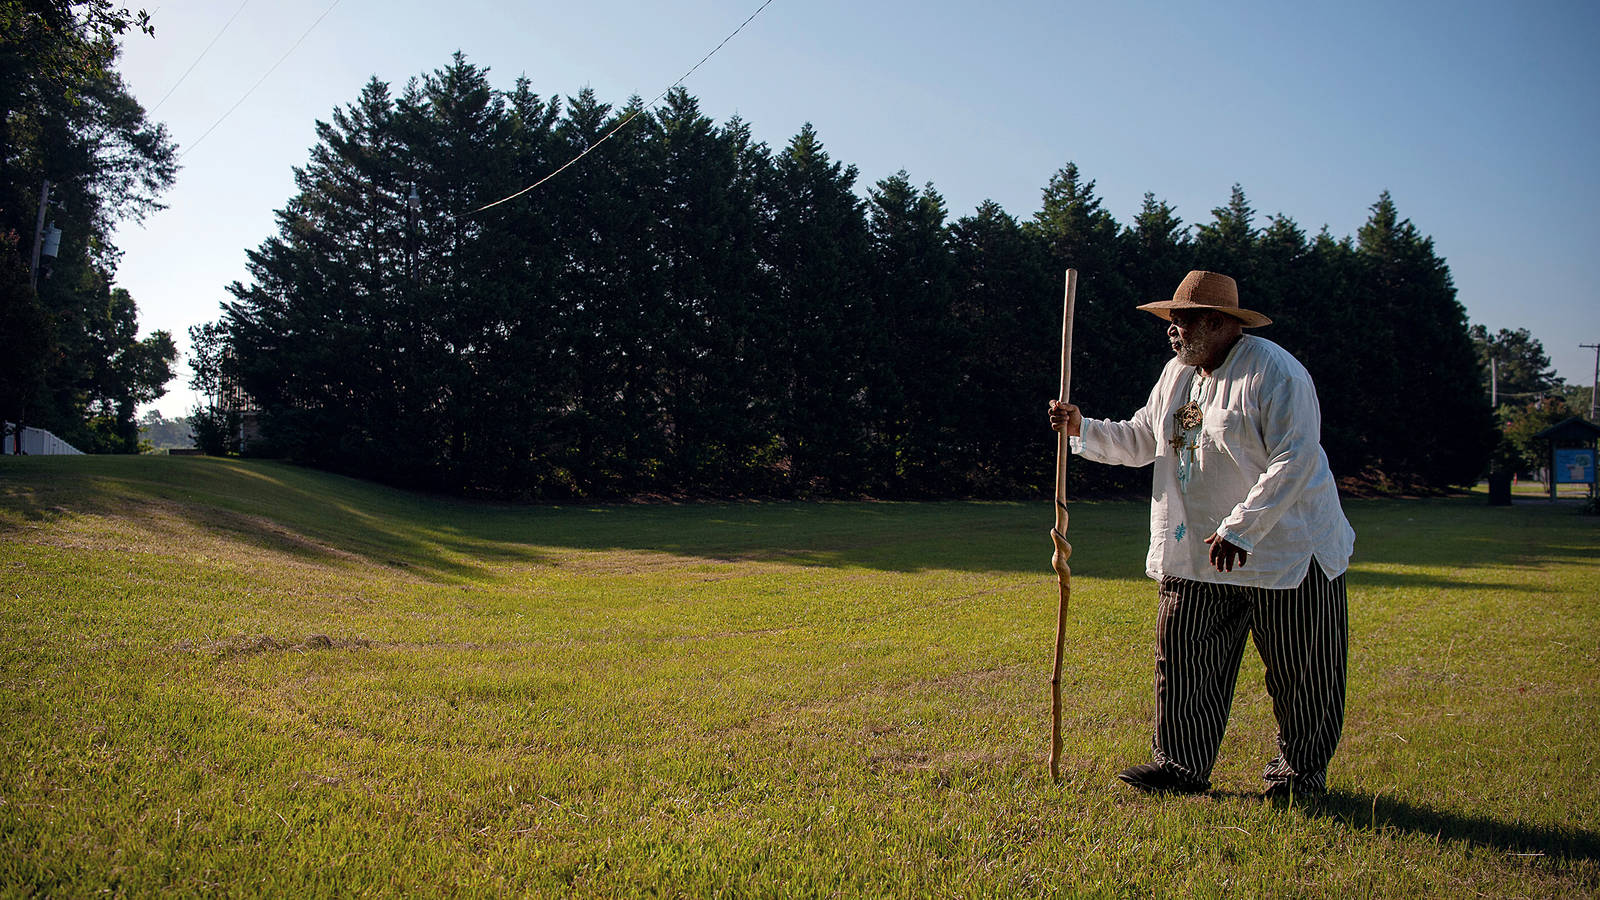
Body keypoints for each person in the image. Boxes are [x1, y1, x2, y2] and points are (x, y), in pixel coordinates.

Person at [1048, 270, 1355, 800]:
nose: (1172, 330)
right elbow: (1147, 437)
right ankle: (1180, 767)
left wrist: (1242, 528)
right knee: (1186, 661)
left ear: (1220, 323)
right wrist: (1083, 428)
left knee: (1304, 673)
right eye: (1171, 320)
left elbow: (1295, 458)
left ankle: (1300, 777)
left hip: (1286, 548)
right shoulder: (1177, 375)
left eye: (1183, 320)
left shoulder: (1276, 373)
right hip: (1197, 549)